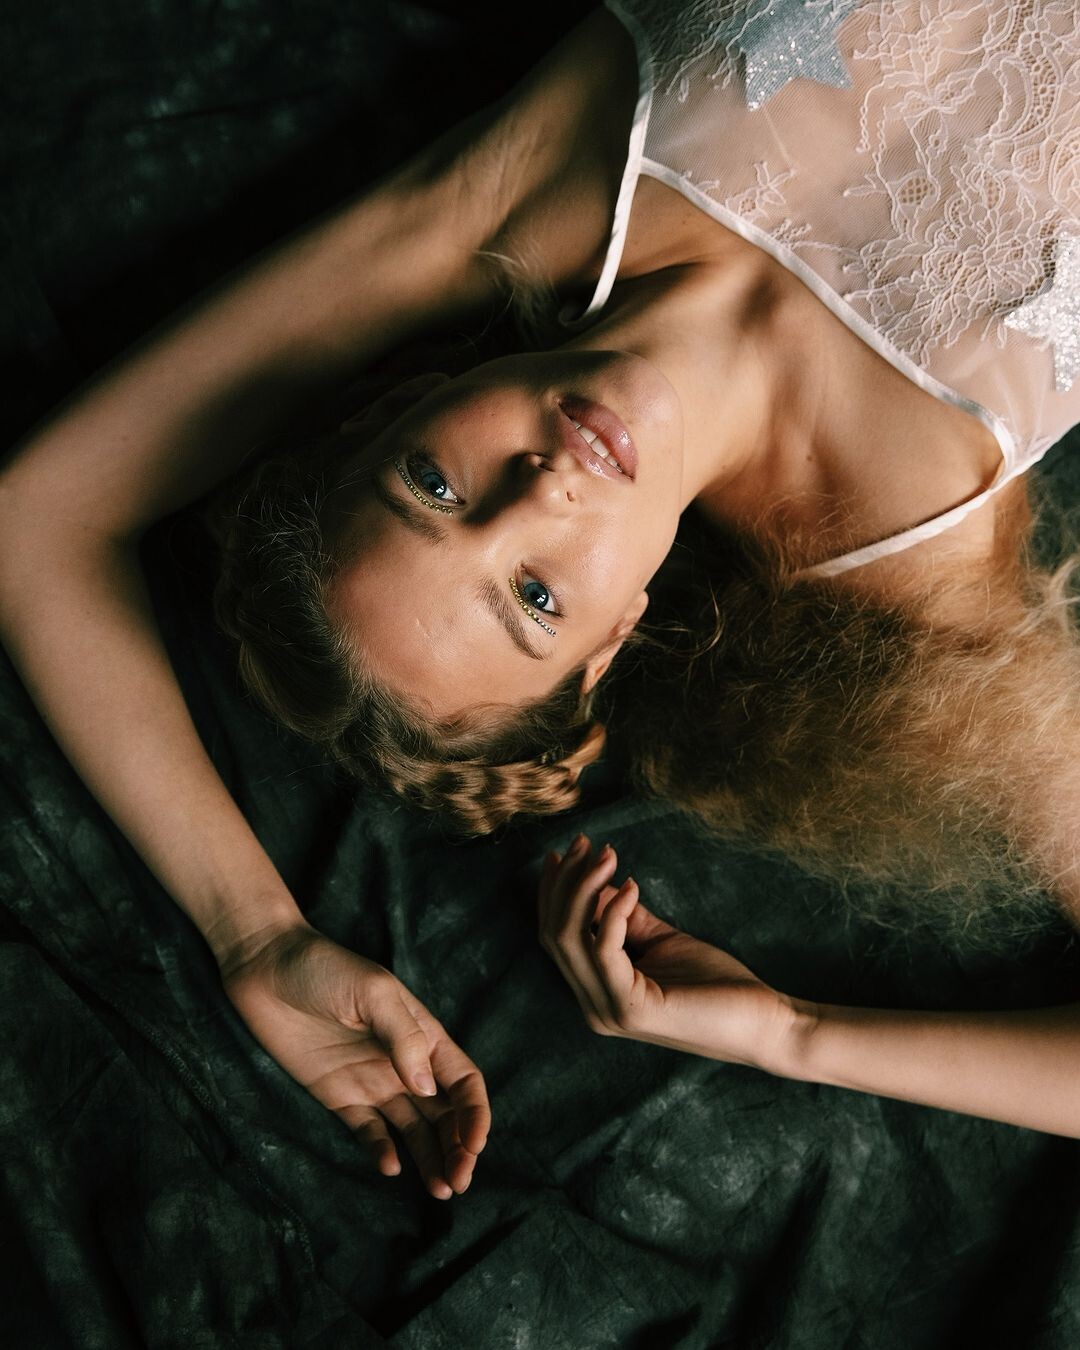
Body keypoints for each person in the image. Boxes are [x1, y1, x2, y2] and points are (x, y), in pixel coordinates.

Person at [1, 0, 1079, 1204]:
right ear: (615, 638)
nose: (539, 492)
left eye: (433, 485)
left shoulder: (501, 201)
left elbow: (33, 514)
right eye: (533, 596)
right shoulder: (925, 579)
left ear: (396, 410)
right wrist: (797, 1034)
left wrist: (258, 933)